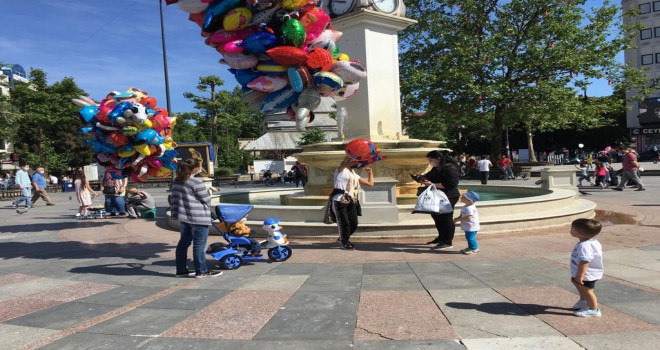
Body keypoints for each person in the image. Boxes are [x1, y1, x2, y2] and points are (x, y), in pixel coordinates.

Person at [172, 158, 222, 278]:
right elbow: (207, 200)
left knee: (183, 244)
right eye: (199, 166)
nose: (201, 168)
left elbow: (175, 198)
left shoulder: (176, 181)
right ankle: (202, 271)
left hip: (184, 217)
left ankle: (181, 270)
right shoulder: (196, 182)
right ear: (195, 169)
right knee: (199, 245)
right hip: (198, 217)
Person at [328, 156, 374, 250]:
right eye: (354, 161)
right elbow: (345, 165)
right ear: (349, 161)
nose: (356, 163)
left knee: (353, 223)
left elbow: (370, 184)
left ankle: (342, 238)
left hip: (351, 200)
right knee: (344, 223)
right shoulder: (340, 170)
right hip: (339, 199)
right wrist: (354, 159)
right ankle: (344, 241)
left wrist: (370, 173)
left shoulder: (354, 174)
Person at [418, 151, 461, 250]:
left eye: (430, 160)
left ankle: (447, 241)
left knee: (446, 218)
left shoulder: (450, 168)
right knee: (437, 218)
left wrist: (431, 185)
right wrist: (421, 178)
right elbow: (429, 176)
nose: (429, 162)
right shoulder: (437, 167)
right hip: (437, 195)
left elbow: (451, 184)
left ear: (438, 158)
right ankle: (441, 238)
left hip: (448, 196)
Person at [569, 218, 603, 318]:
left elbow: (585, 261)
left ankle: (594, 310)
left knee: (588, 291)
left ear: (579, 233)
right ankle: (584, 300)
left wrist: (580, 275)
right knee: (575, 282)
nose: (570, 230)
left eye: (572, 229)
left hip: (587, 274)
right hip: (585, 273)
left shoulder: (584, 246)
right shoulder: (592, 242)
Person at [454, 190, 480, 255]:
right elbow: (463, 215)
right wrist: (458, 218)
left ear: (469, 200)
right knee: (468, 237)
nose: (461, 197)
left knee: (470, 238)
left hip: (472, 226)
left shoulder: (469, 208)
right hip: (468, 226)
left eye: (463, 197)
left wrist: (458, 220)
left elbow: (469, 217)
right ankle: (470, 247)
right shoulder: (466, 206)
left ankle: (475, 249)